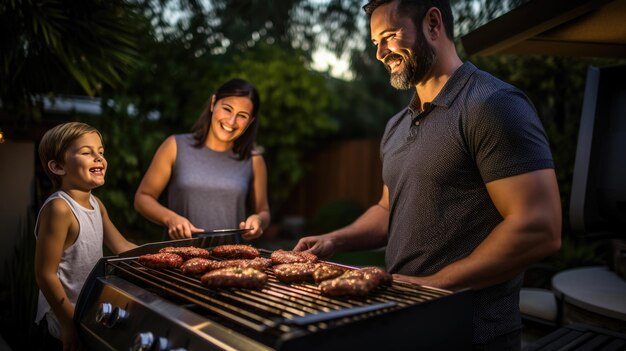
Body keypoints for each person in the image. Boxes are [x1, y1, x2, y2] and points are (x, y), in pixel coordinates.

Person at [293, 0, 562, 349]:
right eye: (375, 42)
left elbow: (538, 227)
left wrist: (433, 285)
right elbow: (389, 210)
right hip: (403, 325)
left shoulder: (491, 104)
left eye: (389, 36)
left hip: (471, 334)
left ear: (433, 24)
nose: (380, 53)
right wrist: (335, 240)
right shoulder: (396, 125)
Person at [34, 122, 137, 351]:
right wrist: (69, 323)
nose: (99, 158)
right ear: (58, 167)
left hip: (86, 317)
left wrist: (164, 255)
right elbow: (45, 275)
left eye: (101, 152)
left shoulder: (95, 204)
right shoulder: (60, 209)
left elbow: (121, 246)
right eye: (86, 153)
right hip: (61, 327)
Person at [134, 78, 270, 240]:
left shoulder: (254, 159)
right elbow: (142, 198)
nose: (231, 121)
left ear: (250, 121)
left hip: (233, 262)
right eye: (227, 109)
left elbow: (264, 211)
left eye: (242, 115)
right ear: (213, 103)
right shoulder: (175, 146)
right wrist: (170, 218)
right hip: (177, 259)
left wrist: (259, 220)